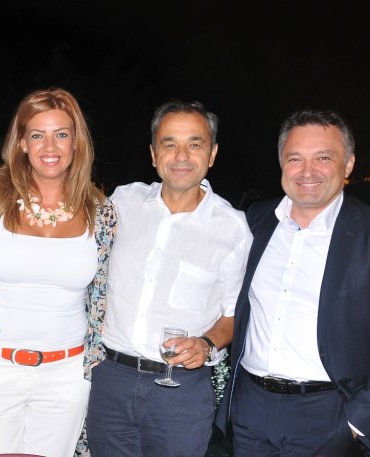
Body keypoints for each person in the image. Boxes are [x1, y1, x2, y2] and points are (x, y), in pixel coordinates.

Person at [215, 109, 370, 456]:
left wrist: (355, 423)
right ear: (281, 163)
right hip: (250, 411)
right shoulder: (256, 221)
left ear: (348, 164)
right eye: (295, 158)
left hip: (329, 414)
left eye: (324, 157)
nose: (307, 171)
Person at [0, 88, 117, 457]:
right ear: (22, 143)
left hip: (66, 375)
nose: (50, 146)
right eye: (38, 135)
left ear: (76, 142)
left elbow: (107, 295)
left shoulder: (102, 212)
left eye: (62, 134)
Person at [85, 100, 252, 457]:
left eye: (195, 144)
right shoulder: (123, 202)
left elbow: (234, 315)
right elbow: (65, 209)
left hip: (180, 392)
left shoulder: (232, 228)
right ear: (153, 153)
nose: (181, 156)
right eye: (169, 143)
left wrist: (206, 344)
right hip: (110, 379)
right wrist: (10, 182)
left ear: (212, 154)